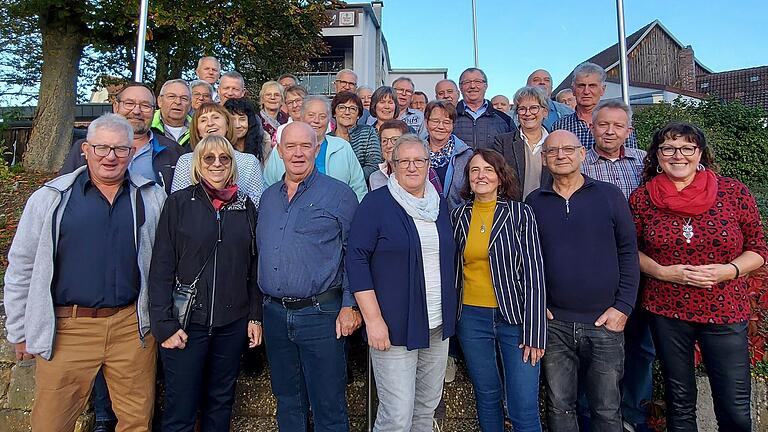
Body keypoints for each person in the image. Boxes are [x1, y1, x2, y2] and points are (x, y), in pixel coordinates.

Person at [4, 113, 166, 431]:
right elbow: (22, 266)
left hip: (130, 328)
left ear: (131, 153)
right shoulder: (50, 199)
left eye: (120, 149)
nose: (110, 156)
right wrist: (19, 329)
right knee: (51, 423)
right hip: (68, 328)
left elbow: (163, 261)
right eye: (102, 147)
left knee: (136, 422)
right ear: (86, 150)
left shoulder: (150, 196)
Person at [629, 122, 768, 432]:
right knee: (679, 401)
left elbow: (758, 248)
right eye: (668, 148)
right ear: (657, 155)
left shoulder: (732, 192)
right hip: (667, 310)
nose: (678, 155)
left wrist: (728, 270)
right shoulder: (642, 198)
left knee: (733, 403)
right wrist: (663, 271)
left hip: (724, 309)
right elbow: (631, 251)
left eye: (687, 148)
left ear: (700, 153)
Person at [526, 130, 640, 432]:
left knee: (606, 408)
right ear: (545, 159)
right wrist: (539, 306)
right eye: (552, 151)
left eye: (567, 149)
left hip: (605, 321)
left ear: (582, 154)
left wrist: (624, 307)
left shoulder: (610, 195)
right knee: (560, 407)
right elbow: (525, 259)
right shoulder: (534, 202)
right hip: (555, 325)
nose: (560, 155)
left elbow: (629, 251)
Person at [149, 134, 262, 431]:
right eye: (209, 158)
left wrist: (254, 317)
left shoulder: (246, 207)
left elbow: (253, 267)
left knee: (220, 403)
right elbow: (161, 266)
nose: (217, 164)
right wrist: (164, 325)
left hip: (231, 323)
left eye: (224, 158)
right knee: (180, 408)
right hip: (187, 324)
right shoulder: (179, 204)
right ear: (198, 164)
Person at [347, 134, 457, 432]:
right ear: (392, 165)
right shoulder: (377, 204)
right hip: (393, 327)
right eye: (403, 161)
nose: (411, 167)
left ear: (427, 164)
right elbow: (356, 260)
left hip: (436, 325)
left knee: (424, 410)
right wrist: (373, 320)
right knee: (396, 415)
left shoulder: (440, 206)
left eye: (418, 160)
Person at [257, 121, 361, 432]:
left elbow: (354, 255)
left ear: (317, 149)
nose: (298, 153)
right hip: (274, 314)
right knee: (288, 401)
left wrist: (350, 305)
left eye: (306, 146)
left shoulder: (340, 195)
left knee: (328, 405)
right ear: (279, 150)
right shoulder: (268, 198)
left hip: (322, 315)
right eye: (291, 146)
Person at [451, 148, 547, 432]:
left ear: (500, 177)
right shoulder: (458, 216)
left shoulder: (520, 214)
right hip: (471, 318)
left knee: (523, 404)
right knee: (487, 396)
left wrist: (535, 331)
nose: (481, 176)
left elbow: (534, 272)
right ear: (468, 178)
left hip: (514, 319)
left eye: (488, 170)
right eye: (475, 170)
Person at [582, 100, 650, 431]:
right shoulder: (581, 164)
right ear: (591, 127)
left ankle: (633, 414)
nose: (609, 131)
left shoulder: (645, 165)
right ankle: (594, 415)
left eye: (617, 125)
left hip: (642, 262)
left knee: (640, 346)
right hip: (598, 266)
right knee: (593, 345)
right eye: (603, 124)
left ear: (629, 131)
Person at [60, 82, 184, 195]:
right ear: (116, 106)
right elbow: (62, 191)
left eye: (145, 105)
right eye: (129, 103)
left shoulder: (173, 151)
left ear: (153, 110)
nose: (136, 111)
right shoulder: (87, 147)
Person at [264, 96, 367, 201]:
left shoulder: (343, 147)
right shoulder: (283, 149)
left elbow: (359, 188)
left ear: (329, 120)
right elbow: (268, 187)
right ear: (302, 117)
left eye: (322, 116)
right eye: (311, 115)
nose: (316, 121)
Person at [171, 102, 264, 207]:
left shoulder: (249, 162)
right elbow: (177, 205)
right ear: (198, 131)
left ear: (228, 125)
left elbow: (257, 205)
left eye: (215, 117)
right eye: (203, 120)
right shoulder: (186, 161)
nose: (210, 123)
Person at [552, 62, 637, 149]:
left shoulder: (620, 124)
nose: (586, 91)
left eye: (592, 86)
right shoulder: (560, 126)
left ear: (602, 90)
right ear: (573, 90)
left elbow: (631, 158)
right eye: (581, 86)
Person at [491, 86, 551, 199]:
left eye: (534, 108)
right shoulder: (503, 143)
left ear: (545, 112)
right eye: (522, 109)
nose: (528, 113)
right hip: (515, 210)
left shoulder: (556, 143)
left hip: (549, 208)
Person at [369, 120, 443, 194]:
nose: (388, 145)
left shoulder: (426, 172)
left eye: (395, 140)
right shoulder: (375, 178)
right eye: (384, 141)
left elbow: (438, 201)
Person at [425, 100, 473, 210]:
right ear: (426, 123)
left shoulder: (466, 155)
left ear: (453, 125)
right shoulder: (415, 153)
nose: (440, 127)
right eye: (435, 121)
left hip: (456, 220)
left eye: (446, 122)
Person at [454, 67, 514, 150]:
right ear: (460, 87)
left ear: (485, 86)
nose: (472, 86)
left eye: (477, 81)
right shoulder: (450, 117)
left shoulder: (505, 120)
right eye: (467, 82)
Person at [330, 91, 382, 181]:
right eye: (342, 108)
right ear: (334, 113)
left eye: (352, 109)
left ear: (358, 115)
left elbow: (374, 165)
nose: (347, 112)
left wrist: (350, 180)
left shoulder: (368, 132)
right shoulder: (327, 139)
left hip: (360, 188)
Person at [152, 79, 193, 148]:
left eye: (184, 98)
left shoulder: (198, 129)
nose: (178, 102)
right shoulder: (147, 125)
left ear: (190, 105)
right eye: (172, 97)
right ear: (160, 101)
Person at [224, 97, 266, 163]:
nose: (237, 125)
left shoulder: (263, 143)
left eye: (242, 119)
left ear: (250, 121)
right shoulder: (221, 146)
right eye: (232, 120)